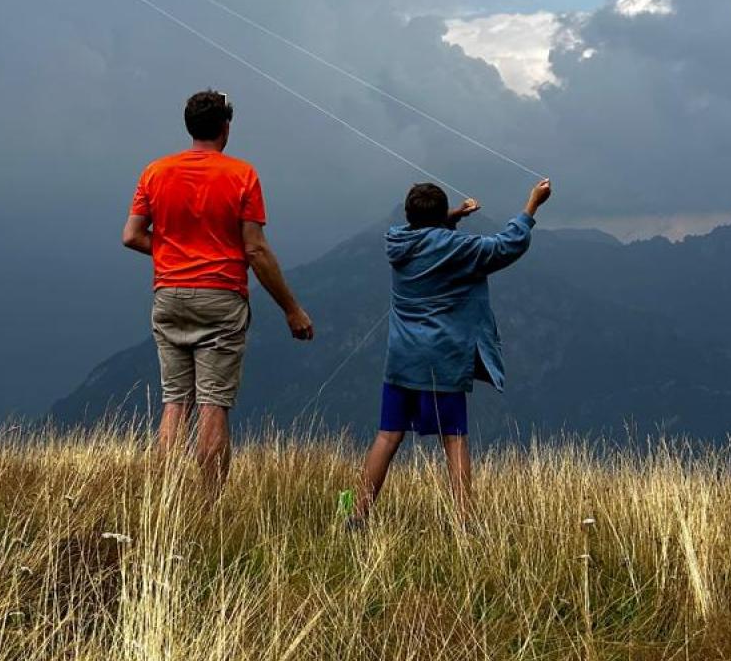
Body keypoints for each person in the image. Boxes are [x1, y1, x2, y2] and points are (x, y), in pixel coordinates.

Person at [122, 90, 316, 491]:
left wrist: (175, 250)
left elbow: (131, 236)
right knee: (213, 404)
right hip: (221, 297)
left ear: (188, 126)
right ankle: (211, 505)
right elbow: (256, 249)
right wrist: (292, 309)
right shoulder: (242, 175)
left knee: (175, 402)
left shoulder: (155, 172)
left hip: (169, 293)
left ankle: (163, 504)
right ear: (226, 128)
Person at [348, 176, 552, 526]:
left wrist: (452, 215)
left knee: (387, 436)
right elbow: (507, 245)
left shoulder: (397, 243)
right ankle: (464, 522)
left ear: (409, 215)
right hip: (443, 360)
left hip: (401, 359)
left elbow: (426, 235)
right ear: (438, 215)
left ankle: (357, 516)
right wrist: (532, 204)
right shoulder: (459, 249)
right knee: (454, 439)